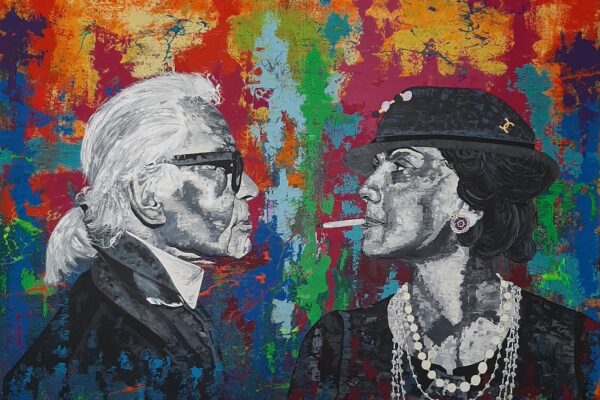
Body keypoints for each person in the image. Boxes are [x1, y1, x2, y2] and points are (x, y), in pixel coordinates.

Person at [289, 87, 599, 399]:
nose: (367, 187)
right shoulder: (337, 345)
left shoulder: (575, 346)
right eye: (376, 167)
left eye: (401, 167)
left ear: (471, 202)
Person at [3, 73, 259, 399]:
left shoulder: (135, 302)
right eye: (226, 167)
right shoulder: (117, 348)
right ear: (147, 197)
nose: (250, 189)